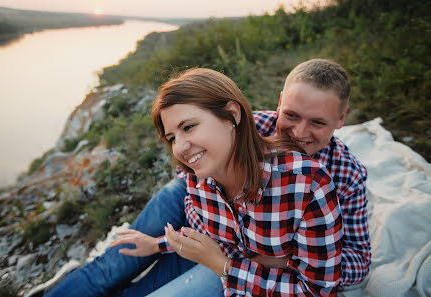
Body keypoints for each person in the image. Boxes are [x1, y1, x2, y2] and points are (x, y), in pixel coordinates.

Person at [43, 59, 370, 296]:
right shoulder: (248, 127)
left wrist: (287, 258)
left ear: (341, 119)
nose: (299, 132)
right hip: (195, 200)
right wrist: (162, 241)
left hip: (235, 243)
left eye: (317, 123)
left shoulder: (339, 177)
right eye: (291, 115)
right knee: (112, 264)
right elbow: (195, 173)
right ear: (280, 103)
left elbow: (351, 262)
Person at [111, 67, 343, 296]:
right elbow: (211, 242)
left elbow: (317, 291)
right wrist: (158, 244)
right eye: (172, 138)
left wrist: (224, 266)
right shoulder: (198, 181)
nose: (179, 148)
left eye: (189, 127)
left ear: (232, 115)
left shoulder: (307, 182)